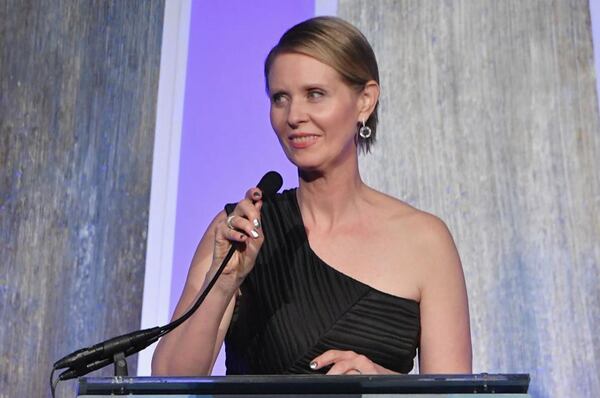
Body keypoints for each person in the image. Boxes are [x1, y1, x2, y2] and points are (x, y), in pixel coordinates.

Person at [152, 16, 471, 376]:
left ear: (365, 101)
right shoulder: (239, 230)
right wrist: (224, 282)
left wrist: (382, 384)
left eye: (314, 95)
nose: (294, 116)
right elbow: (170, 379)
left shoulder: (425, 241)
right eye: (280, 98)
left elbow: (454, 391)